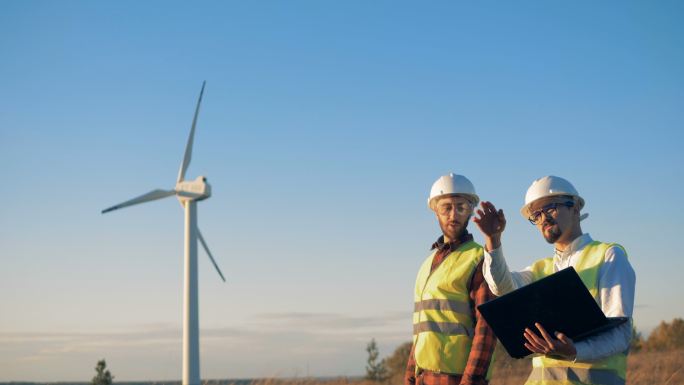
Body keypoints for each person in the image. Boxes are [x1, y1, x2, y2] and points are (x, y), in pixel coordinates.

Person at [473, 175, 636, 385]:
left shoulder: (608, 256)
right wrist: (493, 240)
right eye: (536, 215)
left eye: (550, 208)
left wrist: (575, 351)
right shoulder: (540, 268)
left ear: (575, 208)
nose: (543, 219)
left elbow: (621, 335)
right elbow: (501, 287)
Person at [405, 173, 497, 385]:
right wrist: (410, 377)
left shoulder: (479, 258)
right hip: (423, 377)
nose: (453, 214)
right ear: (435, 211)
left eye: (461, 207)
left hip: (457, 378)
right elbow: (422, 329)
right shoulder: (426, 265)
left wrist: (471, 380)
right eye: (446, 207)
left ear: (471, 211)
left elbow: (486, 328)